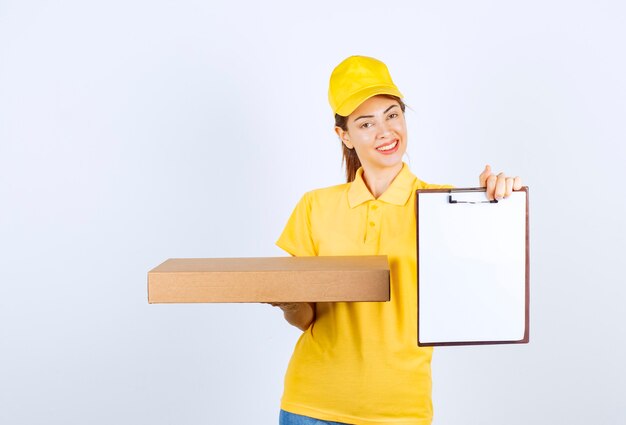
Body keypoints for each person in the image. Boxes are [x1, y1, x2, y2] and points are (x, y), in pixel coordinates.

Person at [271, 55, 522, 425]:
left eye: (391, 115)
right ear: (344, 135)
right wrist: (287, 303)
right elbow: (305, 318)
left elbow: (491, 280)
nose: (385, 132)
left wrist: (499, 203)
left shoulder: (445, 207)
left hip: (400, 411)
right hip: (311, 406)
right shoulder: (315, 206)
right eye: (365, 123)